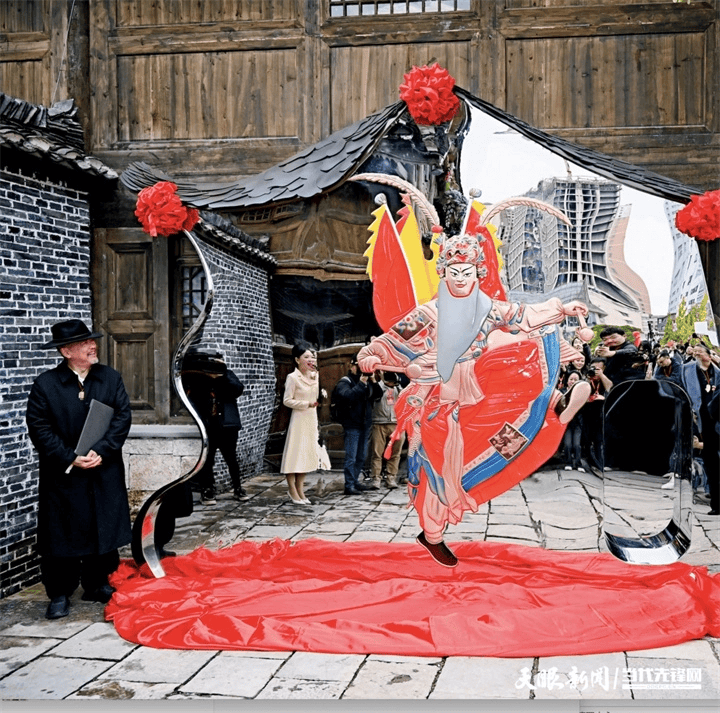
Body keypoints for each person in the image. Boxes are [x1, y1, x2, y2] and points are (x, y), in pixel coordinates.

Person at [358, 232, 591, 567]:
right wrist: (371, 355)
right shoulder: (428, 313)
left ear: (477, 273)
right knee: (441, 471)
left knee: (512, 355)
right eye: (454, 272)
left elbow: (523, 314)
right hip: (439, 400)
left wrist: (561, 309)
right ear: (444, 273)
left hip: (479, 387)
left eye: (467, 273)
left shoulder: (488, 309)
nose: (460, 279)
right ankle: (432, 534)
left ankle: (552, 402)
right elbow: (392, 340)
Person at [26, 319, 132, 619]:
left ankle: (96, 584)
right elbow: (39, 427)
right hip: (64, 473)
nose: (92, 345)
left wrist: (103, 449)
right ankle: (59, 592)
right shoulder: (46, 384)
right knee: (62, 532)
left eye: (92, 340)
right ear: (66, 351)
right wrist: (69, 457)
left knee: (102, 526)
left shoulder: (110, 378)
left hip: (102, 468)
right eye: (84, 343)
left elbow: (122, 417)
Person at [183, 350, 248, 504]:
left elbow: (238, 389)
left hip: (226, 425)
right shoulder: (196, 377)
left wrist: (223, 373)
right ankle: (208, 490)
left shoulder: (227, 375)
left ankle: (238, 488)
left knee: (231, 458)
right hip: (208, 426)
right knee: (207, 460)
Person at [280, 343, 325, 505]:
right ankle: (292, 489)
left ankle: (300, 490)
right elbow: (287, 400)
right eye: (306, 357)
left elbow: (318, 395)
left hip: (311, 419)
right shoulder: (292, 377)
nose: (310, 360)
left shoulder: (315, 376)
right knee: (294, 455)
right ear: (297, 360)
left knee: (305, 455)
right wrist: (306, 404)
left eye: (312, 357)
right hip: (298, 419)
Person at [333, 355, 382, 495]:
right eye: (357, 365)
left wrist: (373, 380)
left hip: (365, 424)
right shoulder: (345, 382)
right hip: (352, 425)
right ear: (351, 366)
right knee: (351, 457)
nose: (359, 369)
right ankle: (349, 485)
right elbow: (348, 396)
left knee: (361, 456)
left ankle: (354, 481)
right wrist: (362, 383)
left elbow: (378, 395)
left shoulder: (367, 381)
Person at [683, 344, 720, 515]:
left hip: (716, 421)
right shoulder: (687, 369)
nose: (696, 354)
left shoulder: (717, 372)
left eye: (700, 352)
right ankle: (716, 504)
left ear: (709, 355)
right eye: (695, 351)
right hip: (700, 423)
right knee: (711, 463)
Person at [369, 370, 405, 489]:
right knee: (377, 453)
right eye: (390, 382)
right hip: (379, 422)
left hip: (397, 424)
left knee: (395, 453)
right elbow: (375, 396)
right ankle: (376, 478)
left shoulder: (398, 388)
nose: (392, 384)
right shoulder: (377, 386)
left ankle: (391, 478)